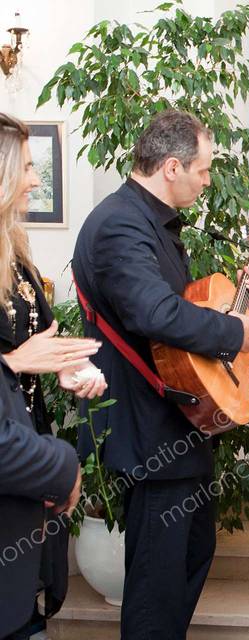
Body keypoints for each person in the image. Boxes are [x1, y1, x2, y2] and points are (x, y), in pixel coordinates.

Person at [72, 109, 249, 640]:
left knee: (188, 559)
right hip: (148, 430)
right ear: (173, 166)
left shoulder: (147, 222)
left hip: (175, 424)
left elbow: (172, 328)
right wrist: (235, 336)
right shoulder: (119, 223)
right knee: (156, 589)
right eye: (204, 172)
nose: (208, 183)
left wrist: (240, 308)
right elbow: (153, 314)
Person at [0, 113, 101, 640]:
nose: (38, 181)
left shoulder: (14, 253)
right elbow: (17, 358)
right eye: (29, 167)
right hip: (10, 453)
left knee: (26, 599)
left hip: (27, 446)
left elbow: (37, 338)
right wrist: (18, 364)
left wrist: (71, 365)